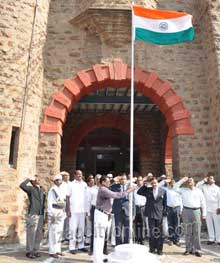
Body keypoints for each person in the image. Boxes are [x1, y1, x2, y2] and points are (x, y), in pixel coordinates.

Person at [93, 175, 134, 263]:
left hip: (103, 214)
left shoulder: (104, 188)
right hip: (101, 214)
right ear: (103, 182)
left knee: (101, 237)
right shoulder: (103, 190)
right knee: (99, 238)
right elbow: (117, 195)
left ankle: (99, 257)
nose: (109, 183)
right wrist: (128, 191)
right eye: (107, 181)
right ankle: (97, 260)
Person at [174, 177, 206, 257]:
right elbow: (175, 187)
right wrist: (182, 180)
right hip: (186, 211)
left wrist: (204, 214)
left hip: (196, 211)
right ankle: (188, 249)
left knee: (196, 231)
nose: (189, 182)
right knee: (188, 231)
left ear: (194, 182)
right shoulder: (183, 190)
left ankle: (197, 249)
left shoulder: (198, 191)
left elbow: (203, 202)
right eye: (188, 181)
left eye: (190, 181)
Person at [137, 177, 167, 255]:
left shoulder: (163, 191)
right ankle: (152, 248)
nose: (154, 184)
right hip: (150, 214)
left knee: (159, 232)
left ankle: (159, 249)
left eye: (155, 183)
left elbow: (165, 203)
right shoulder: (148, 190)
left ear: (158, 183)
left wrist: (164, 212)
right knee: (152, 232)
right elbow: (139, 192)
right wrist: (145, 185)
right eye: (152, 183)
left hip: (159, 214)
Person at [20, 175, 46, 259]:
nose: (38, 180)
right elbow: (22, 185)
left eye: (38, 179)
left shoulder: (42, 189)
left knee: (38, 233)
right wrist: (28, 179)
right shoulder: (30, 189)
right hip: (33, 213)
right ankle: (29, 251)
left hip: (41, 213)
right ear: (33, 181)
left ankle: (35, 250)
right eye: (36, 179)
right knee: (31, 233)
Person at [66, 170, 89, 254]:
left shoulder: (84, 184)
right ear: (74, 175)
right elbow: (67, 197)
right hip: (73, 210)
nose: (80, 176)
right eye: (78, 174)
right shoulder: (71, 184)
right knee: (73, 229)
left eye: (81, 174)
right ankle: (72, 247)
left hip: (82, 210)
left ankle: (81, 245)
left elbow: (86, 198)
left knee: (82, 229)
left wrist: (87, 210)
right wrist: (68, 210)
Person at [196, 174, 220, 245]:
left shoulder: (218, 188)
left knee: (217, 224)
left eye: (211, 178)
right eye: (209, 178)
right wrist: (203, 180)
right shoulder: (204, 187)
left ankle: (218, 239)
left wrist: (219, 207)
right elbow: (197, 186)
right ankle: (211, 239)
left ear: (214, 180)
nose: (210, 179)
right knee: (209, 224)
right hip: (207, 208)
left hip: (216, 208)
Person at [159, 177, 182, 246]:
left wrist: (181, 209)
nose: (172, 184)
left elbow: (181, 200)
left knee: (177, 224)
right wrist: (165, 181)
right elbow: (159, 186)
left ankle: (177, 239)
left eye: (173, 182)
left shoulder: (178, 190)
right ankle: (171, 238)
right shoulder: (167, 189)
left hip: (177, 208)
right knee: (170, 224)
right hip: (169, 208)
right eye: (171, 182)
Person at [48, 174, 65, 258]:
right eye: (57, 180)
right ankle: (52, 251)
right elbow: (50, 203)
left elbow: (63, 202)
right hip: (54, 212)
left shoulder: (61, 189)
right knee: (53, 232)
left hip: (60, 212)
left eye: (60, 180)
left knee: (59, 232)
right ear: (54, 181)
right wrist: (52, 214)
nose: (59, 181)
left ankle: (58, 250)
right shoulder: (52, 190)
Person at [111, 173, 130, 245]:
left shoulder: (130, 187)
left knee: (127, 229)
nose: (123, 180)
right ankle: (118, 245)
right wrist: (114, 180)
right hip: (118, 210)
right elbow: (109, 187)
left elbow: (133, 200)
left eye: (124, 179)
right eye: (121, 179)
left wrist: (133, 213)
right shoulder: (115, 186)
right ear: (119, 180)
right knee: (118, 229)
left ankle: (126, 244)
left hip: (127, 211)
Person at [133, 176, 146, 244]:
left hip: (143, 207)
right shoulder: (134, 189)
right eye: (138, 180)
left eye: (141, 180)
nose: (139, 182)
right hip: (136, 208)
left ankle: (142, 239)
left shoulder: (145, 188)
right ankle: (136, 237)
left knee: (142, 224)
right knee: (136, 224)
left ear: (142, 181)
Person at [59, 171, 71, 241]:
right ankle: (62, 236)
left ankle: (67, 236)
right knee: (62, 219)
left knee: (68, 220)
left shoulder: (71, 184)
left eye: (68, 175)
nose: (67, 177)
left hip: (69, 203)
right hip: (63, 202)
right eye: (65, 176)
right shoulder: (60, 184)